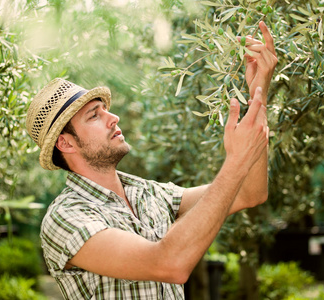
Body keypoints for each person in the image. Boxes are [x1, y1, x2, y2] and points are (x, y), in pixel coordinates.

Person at [26, 21, 277, 300]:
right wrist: (236, 160)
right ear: (66, 143)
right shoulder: (66, 217)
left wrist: (258, 95)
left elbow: (249, 193)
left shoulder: (149, 193)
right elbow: (168, 264)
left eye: (105, 109)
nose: (113, 117)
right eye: (94, 115)